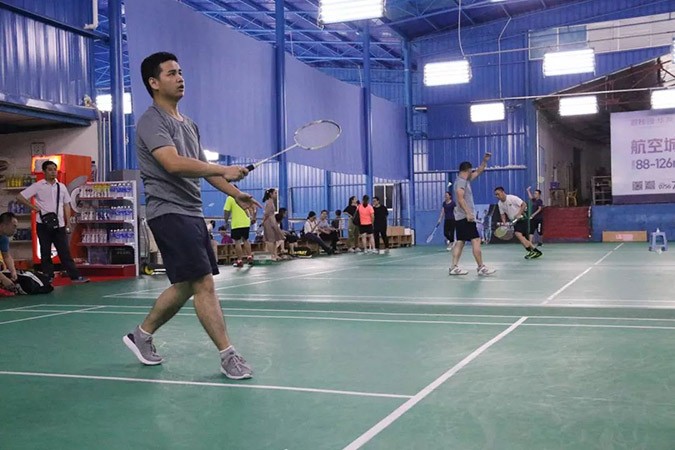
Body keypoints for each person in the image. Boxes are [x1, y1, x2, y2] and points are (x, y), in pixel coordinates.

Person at [122, 52, 260, 380]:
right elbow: (172, 163)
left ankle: (141, 335)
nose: (180, 78)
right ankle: (228, 355)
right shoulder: (152, 120)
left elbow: (204, 170)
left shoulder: (189, 124)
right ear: (154, 83)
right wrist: (223, 168)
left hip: (192, 212)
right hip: (169, 210)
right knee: (203, 283)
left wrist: (235, 192)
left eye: (181, 72)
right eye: (171, 73)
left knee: (186, 285)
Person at [16, 160, 89, 283]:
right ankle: (48, 277)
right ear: (44, 171)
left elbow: (66, 205)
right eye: (50, 170)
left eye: (54, 169)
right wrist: (33, 207)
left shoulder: (61, 187)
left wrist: (68, 222)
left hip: (59, 224)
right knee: (45, 251)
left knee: (64, 251)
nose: (53, 172)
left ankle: (75, 276)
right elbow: (20, 197)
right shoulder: (38, 186)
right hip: (43, 224)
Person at [450, 154, 496, 276]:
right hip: (465, 217)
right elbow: (460, 198)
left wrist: (484, 161)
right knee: (476, 239)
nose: (472, 172)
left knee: (460, 241)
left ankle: (453, 267)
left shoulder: (465, 181)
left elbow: (479, 172)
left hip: (460, 217)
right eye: (471, 171)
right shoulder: (461, 182)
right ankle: (481, 267)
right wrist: (469, 213)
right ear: (468, 170)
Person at [495, 187, 542, 259]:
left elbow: (524, 204)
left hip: (522, 218)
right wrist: (504, 223)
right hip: (515, 221)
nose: (497, 196)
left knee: (518, 234)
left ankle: (532, 251)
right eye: (496, 195)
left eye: (498, 194)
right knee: (523, 238)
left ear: (503, 192)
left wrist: (519, 213)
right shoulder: (500, 204)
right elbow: (502, 214)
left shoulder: (512, 198)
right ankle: (536, 251)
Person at [224, 187, 254, 268]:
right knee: (246, 240)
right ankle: (249, 257)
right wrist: (251, 217)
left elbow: (226, 211)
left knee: (237, 241)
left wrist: (226, 220)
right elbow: (250, 208)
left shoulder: (230, 198)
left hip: (236, 223)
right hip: (246, 222)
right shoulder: (242, 197)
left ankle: (240, 261)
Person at [261, 188, 285, 261]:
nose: (276, 194)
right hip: (269, 221)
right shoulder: (269, 202)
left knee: (274, 239)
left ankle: (275, 254)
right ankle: (271, 255)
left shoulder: (272, 202)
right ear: (270, 194)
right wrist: (263, 222)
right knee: (270, 239)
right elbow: (266, 213)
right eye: (275, 193)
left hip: (272, 220)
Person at [0, 212, 19, 291]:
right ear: (3, 226)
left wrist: (13, 272)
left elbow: (6, 256)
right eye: (14, 226)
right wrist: (3, 278)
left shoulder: (3, 238)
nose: (15, 230)